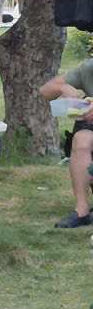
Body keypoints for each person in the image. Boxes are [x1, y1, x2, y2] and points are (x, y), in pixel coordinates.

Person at [39, 61, 93, 228]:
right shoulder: (89, 68)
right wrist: (62, 88)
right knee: (81, 140)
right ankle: (82, 211)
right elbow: (45, 91)